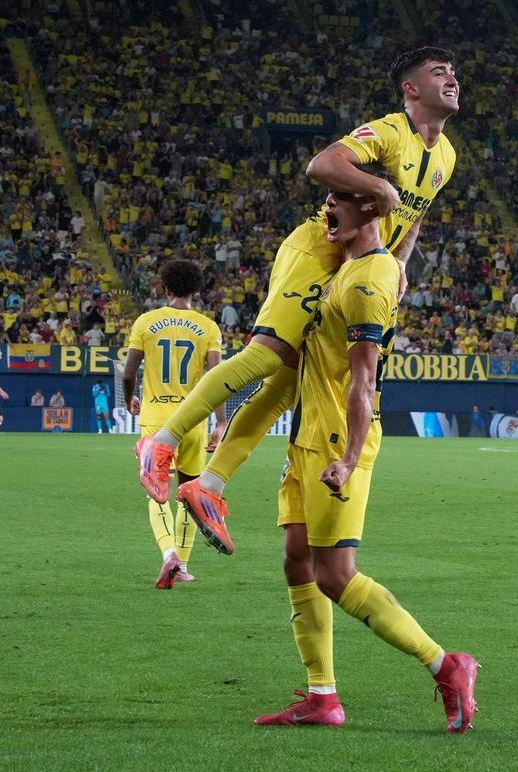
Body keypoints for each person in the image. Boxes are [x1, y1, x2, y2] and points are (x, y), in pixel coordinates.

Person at [137, 47, 460, 555]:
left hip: (358, 263)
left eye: (453, 72)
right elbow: (323, 164)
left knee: (287, 384)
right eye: (439, 72)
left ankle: (209, 485)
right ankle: (161, 443)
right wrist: (378, 187)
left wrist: (400, 261)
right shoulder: (390, 131)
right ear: (411, 89)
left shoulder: (447, 157)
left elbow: (416, 214)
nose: (452, 79)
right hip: (318, 248)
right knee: (267, 355)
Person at [254, 190, 477, 732]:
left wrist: (349, 459)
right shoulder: (358, 265)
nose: (327, 205)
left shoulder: (366, 282)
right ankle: (322, 697)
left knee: (335, 575)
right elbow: (403, 235)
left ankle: (446, 665)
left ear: (371, 211)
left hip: (336, 439)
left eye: (340, 198)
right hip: (308, 433)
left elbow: (363, 380)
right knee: (297, 559)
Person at [126, 259, 225, 588]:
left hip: (155, 419)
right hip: (193, 419)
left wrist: (129, 399)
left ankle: (168, 553)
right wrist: (221, 421)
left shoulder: (146, 321)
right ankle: (181, 565)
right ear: (196, 290)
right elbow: (216, 377)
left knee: (156, 491)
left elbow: (128, 373)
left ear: (164, 287)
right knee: (191, 492)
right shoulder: (208, 327)